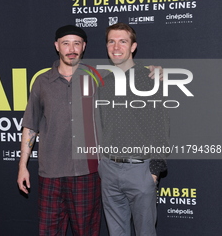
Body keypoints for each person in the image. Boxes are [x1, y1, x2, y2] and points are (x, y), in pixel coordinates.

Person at [17, 24, 162, 236]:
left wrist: (155, 70)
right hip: (51, 174)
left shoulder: (100, 77)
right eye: (66, 43)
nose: (71, 49)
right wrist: (22, 166)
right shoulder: (42, 82)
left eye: (76, 43)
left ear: (84, 46)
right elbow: (30, 125)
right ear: (57, 46)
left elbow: (130, 72)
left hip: (88, 173)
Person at [98, 23, 169, 236]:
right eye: (111, 41)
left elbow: (161, 126)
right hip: (109, 170)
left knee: (145, 232)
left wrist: (154, 172)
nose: (116, 46)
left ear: (133, 46)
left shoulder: (149, 80)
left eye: (123, 41)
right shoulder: (104, 83)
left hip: (140, 170)